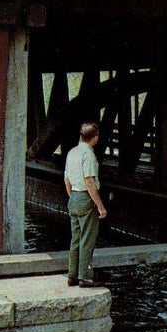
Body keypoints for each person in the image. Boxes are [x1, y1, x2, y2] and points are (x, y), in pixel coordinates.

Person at [64, 121, 108, 288]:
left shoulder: (72, 152)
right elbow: (89, 181)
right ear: (95, 138)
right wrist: (100, 206)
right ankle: (86, 277)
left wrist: (72, 197)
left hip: (74, 197)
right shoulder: (88, 155)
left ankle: (72, 276)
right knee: (87, 239)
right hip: (85, 197)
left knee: (75, 239)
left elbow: (67, 179)